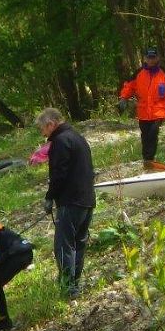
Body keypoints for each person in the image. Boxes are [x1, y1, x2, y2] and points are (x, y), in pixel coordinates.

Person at [36, 108, 95, 299]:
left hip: (70, 201)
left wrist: (49, 197)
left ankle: (68, 287)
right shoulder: (78, 137)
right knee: (79, 243)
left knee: (64, 245)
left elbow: (58, 174)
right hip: (87, 199)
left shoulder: (60, 141)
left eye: (43, 129)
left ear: (51, 124)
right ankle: (74, 285)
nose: (43, 134)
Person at [118, 47, 165, 170]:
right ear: (145, 58)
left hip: (158, 112)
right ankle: (146, 160)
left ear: (157, 58)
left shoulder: (164, 73)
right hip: (143, 112)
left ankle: (149, 159)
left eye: (153, 57)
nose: (151, 60)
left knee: (153, 133)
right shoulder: (138, 73)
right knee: (145, 135)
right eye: (149, 58)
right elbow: (128, 86)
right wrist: (123, 98)